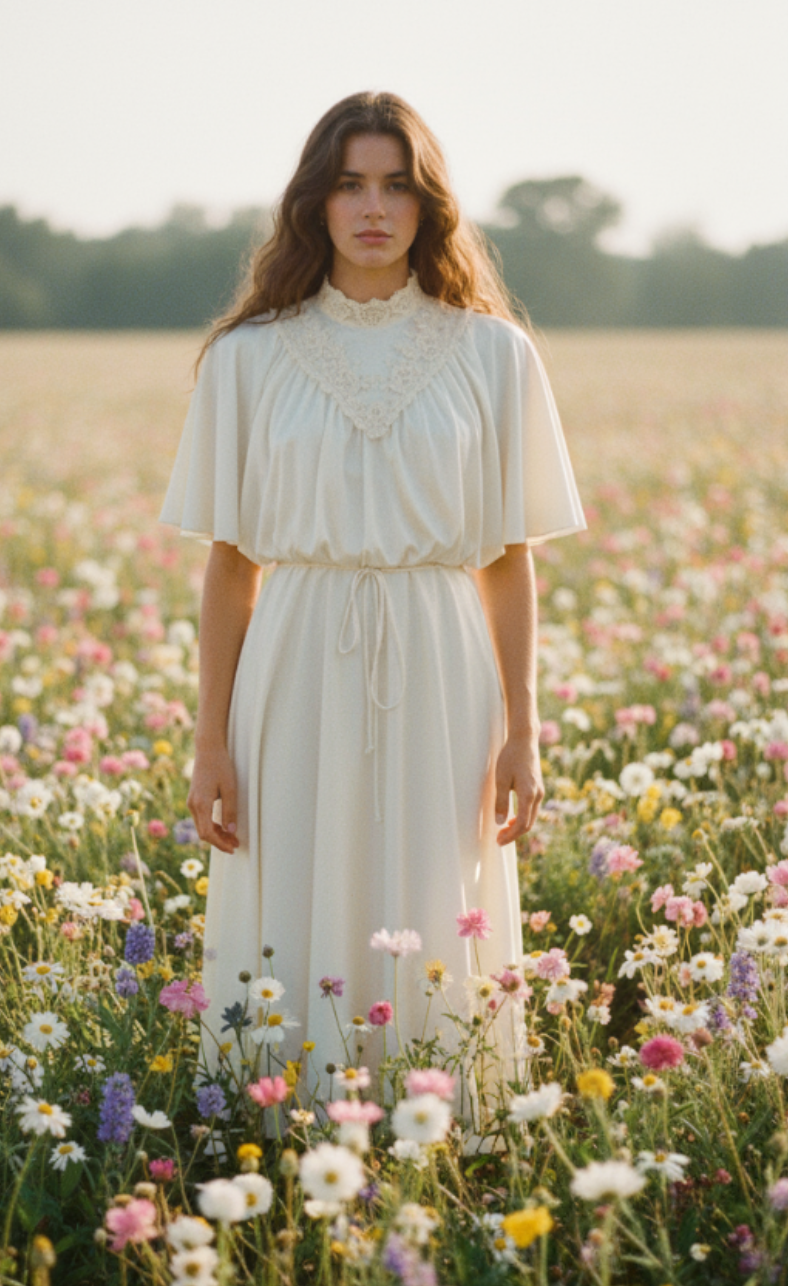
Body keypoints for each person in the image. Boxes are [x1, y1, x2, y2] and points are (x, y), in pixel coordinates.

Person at [159, 91, 586, 1112]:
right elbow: (229, 564)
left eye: (396, 182)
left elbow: (506, 557)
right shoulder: (247, 358)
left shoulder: (493, 353)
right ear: (313, 200)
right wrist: (209, 739)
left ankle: (436, 1120)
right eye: (349, 181)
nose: (372, 205)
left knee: (435, 890)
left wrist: (523, 725)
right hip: (294, 653)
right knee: (294, 877)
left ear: (427, 201)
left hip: (443, 660)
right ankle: (284, 1115)